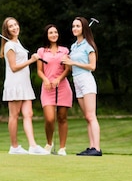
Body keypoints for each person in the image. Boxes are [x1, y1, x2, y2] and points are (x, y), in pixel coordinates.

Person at [0, 17, 48, 155]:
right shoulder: (9, 45)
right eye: (11, 26)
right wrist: (31, 60)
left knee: (28, 114)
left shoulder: (17, 43)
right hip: (15, 83)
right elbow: (14, 67)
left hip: (24, 83)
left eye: (15, 24)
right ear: (7, 30)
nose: (14, 28)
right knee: (14, 116)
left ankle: (32, 146)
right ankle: (14, 147)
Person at [63, 17, 102, 156]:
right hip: (77, 81)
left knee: (91, 116)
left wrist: (73, 62)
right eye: (73, 26)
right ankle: (91, 146)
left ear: (84, 28)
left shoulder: (88, 46)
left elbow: (92, 66)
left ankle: (96, 148)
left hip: (86, 81)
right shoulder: (74, 47)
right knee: (87, 116)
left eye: (78, 26)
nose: (75, 28)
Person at [36, 24, 73, 156]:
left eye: (55, 32)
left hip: (62, 87)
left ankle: (62, 148)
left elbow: (68, 69)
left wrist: (59, 78)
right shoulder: (41, 51)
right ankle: (49, 143)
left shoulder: (65, 51)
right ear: (47, 35)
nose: (53, 35)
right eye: (50, 33)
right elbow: (39, 71)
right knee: (50, 118)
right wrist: (46, 79)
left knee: (62, 118)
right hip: (47, 88)